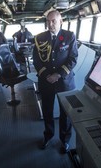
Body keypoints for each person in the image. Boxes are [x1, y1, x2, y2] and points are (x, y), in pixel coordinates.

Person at [32, 10, 78, 153]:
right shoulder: (39, 38)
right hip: (46, 81)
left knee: (66, 113)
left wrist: (58, 75)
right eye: (48, 21)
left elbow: (73, 59)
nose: (50, 24)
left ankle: (65, 140)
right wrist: (47, 75)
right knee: (47, 110)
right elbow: (36, 61)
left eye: (53, 21)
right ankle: (48, 135)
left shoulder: (69, 36)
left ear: (60, 21)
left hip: (64, 81)